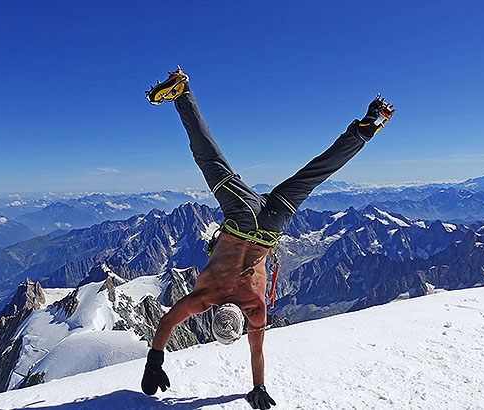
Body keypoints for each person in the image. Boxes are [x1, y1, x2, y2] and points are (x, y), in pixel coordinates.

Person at [141, 67, 395, 409]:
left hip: (270, 227)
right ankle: (182, 91)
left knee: (315, 173)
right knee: (208, 157)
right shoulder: (206, 297)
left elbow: (256, 350)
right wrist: (153, 361)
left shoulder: (255, 309)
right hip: (240, 214)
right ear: (216, 315)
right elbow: (167, 322)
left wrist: (258, 386)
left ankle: (365, 130)